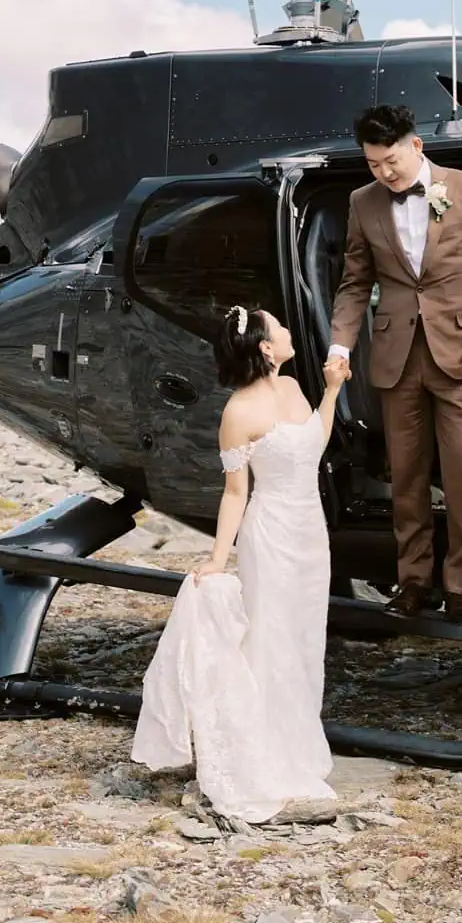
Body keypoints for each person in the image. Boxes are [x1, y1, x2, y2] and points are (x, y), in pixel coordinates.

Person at [130, 305, 351, 822]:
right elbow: (235, 493)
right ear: (265, 348)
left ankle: (297, 744)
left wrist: (333, 392)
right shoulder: (238, 413)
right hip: (269, 533)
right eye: (279, 328)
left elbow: (311, 446)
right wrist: (216, 558)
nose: (289, 331)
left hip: (309, 533)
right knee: (269, 638)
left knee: (303, 638)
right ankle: (265, 753)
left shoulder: (296, 388)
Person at [328, 104, 462, 624]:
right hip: (396, 358)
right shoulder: (361, 203)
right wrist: (340, 345)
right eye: (372, 164)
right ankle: (412, 583)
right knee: (406, 477)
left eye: (390, 160)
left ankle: (460, 585)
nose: (383, 173)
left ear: (416, 146)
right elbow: (354, 282)